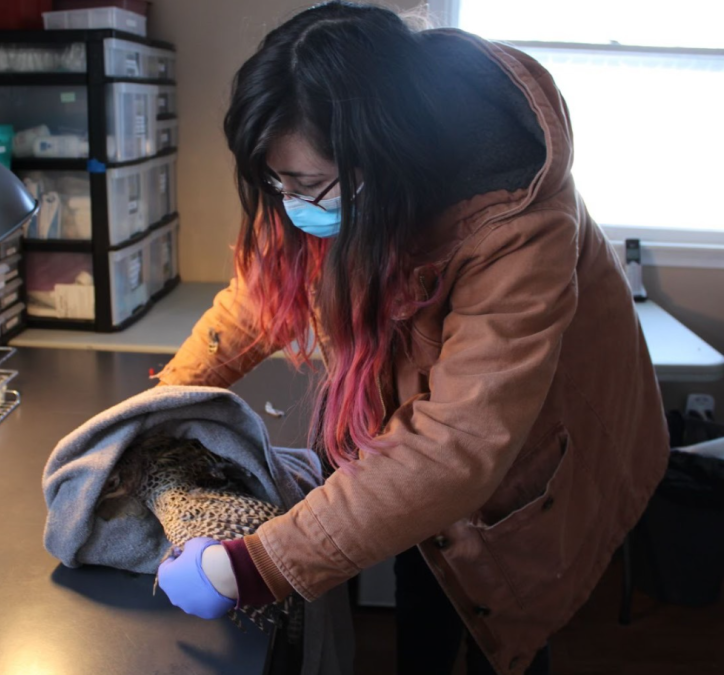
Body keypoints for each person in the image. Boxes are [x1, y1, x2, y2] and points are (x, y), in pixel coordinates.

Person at [153, 3, 670, 674]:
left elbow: (456, 443)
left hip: (537, 457)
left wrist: (256, 566)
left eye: (306, 185)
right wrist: (167, 397)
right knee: (424, 580)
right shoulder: (342, 190)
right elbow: (258, 295)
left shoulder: (517, 219)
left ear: (383, 154)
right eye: (275, 183)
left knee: (505, 620)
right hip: (437, 458)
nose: (290, 202)